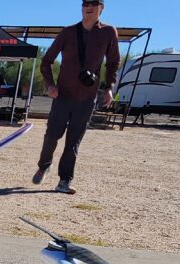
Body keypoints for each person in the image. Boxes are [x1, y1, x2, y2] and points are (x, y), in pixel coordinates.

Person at [32, 0, 120, 195]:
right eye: (85, 3)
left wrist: (109, 87)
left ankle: (64, 180)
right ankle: (44, 165)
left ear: (101, 8)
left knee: (74, 140)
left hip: (87, 97)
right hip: (63, 94)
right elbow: (46, 62)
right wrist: (50, 85)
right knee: (52, 135)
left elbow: (113, 62)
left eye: (94, 3)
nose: (89, 7)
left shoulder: (108, 32)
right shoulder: (68, 32)